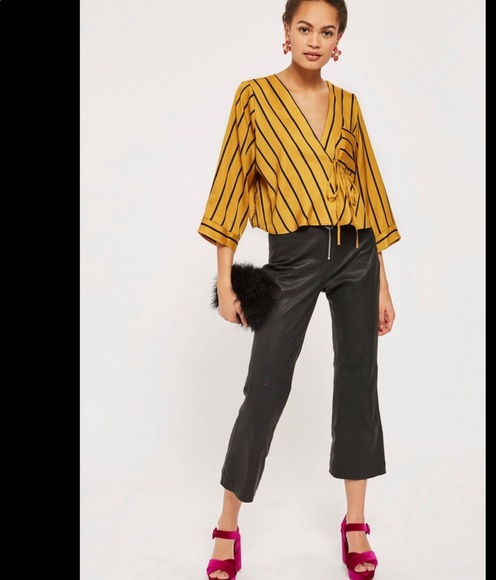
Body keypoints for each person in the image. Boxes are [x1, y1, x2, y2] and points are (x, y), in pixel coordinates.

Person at [198, 1, 400, 578]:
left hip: (357, 253)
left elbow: (369, 190)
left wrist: (382, 282)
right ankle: (227, 523)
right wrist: (225, 280)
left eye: (326, 31)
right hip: (292, 256)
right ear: (286, 32)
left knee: (358, 381)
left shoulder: (348, 105)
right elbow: (231, 184)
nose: (314, 40)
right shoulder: (254, 97)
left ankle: (356, 523)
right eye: (304, 28)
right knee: (265, 387)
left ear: (338, 41)